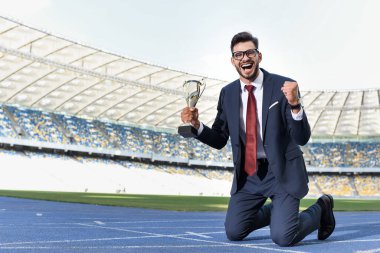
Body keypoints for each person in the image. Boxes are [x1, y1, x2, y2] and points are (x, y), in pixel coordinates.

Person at [180, 31, 335, 247]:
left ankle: (321, 209)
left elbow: (302, 138)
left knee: (283, 237)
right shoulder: (228, 93)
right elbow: (219, 139)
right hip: (249, 175)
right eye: (238, 54)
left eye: (250, 52)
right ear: (232, 60)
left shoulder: (283, 87)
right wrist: (197, 126)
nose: (245, 58)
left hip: (281, 172)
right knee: (234, 231)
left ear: (259, 56)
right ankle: (280, 211)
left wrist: (295, 105)